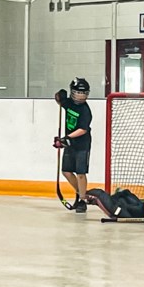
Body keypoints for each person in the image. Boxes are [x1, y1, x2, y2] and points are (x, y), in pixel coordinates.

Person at [54, 77, 93, 213]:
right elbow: (60, 101)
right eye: (78, 93)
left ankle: (82, 200)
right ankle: (80, 192)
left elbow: (83, 129)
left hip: (82, 144)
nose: (81, 96)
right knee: (66, 171)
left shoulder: (85, 110)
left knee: (81, 173)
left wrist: (66, 138)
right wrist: (59, 97)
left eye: (83, 93)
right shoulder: (69, 103)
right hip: (70, 144)